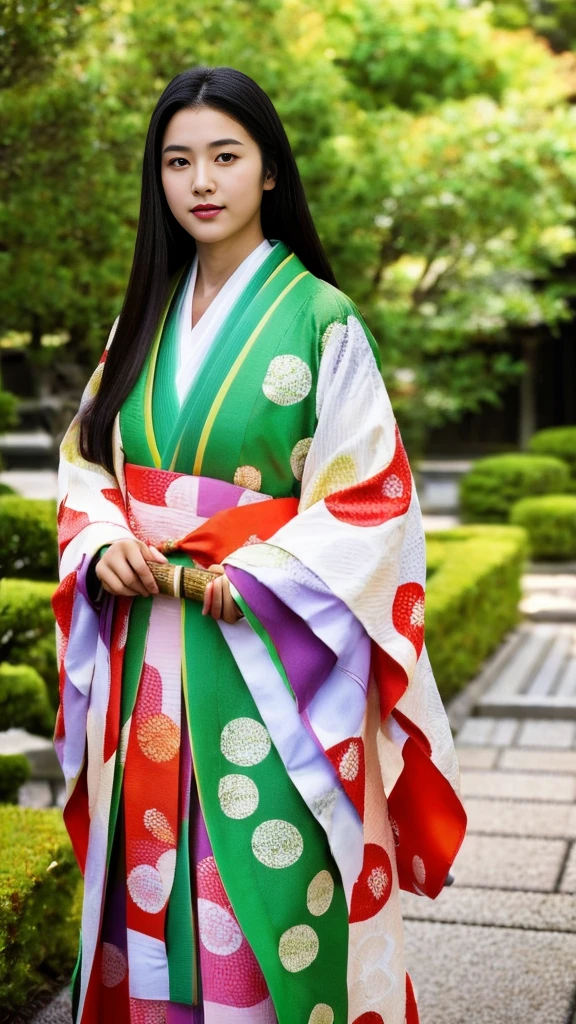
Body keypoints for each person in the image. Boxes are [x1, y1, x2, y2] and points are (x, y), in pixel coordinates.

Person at [52, 65, 467, 1024]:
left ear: (269, 170)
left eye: (225, 157)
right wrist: (105, 536)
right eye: (178, 161)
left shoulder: (322, 319)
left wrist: (271, 574)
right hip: (146, 652)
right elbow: (87, 465)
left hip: (264, 650)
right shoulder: (140, 321)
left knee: (264, 880)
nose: (201, 181)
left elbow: (373, 494)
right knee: (145, 880)